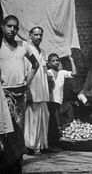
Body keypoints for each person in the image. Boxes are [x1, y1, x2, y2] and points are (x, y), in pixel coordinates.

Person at [0, 15, 39, 173]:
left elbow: (35, 64)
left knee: (18, 128)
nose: (12, 30)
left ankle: (16, 163)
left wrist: (27, 81)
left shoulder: (23, 45)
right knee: (6, 129)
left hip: (19, 93)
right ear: (3, 27)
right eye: (9, 26)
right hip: (4, 94)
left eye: (15, 27)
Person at [24, 26, 51, 155]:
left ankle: (41, 145)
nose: (38, 37)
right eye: (36, 35)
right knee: (32, 119)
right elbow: (25, 71)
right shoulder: (27, 50)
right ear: (30, 35)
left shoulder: (44, 52)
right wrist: (27, 90)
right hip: (33, 90)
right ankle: (30, 146)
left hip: (42, 91)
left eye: (40, 35)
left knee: (43, 118)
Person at [47, 53, 77, 147]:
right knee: (53, 123)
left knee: (56, 122)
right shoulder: (47, 73)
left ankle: (54, 143)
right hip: (49, 102)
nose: (56, 62)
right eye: (53, 61)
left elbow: (74, 73)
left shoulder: (62, 73)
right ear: (49, 63)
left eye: (57, 60)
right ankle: (51, 144)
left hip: (58, 102)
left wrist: (71, 60)